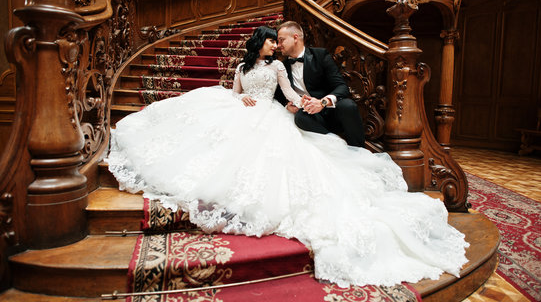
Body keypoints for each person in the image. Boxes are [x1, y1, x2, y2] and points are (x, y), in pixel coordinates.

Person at [107, 25, 468, 288]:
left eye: (278, 40)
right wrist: (241, 100)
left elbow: (287, 91)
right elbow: (235, 93)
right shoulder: (242, 68)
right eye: (270, 40)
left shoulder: (281, 66)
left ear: (292, 39)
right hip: (246, 112)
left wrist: (305, 103)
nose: (274, 45)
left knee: (284, 146)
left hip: (277, 112)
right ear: (258, 45)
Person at [275, 21, 365, 147]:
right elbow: (278, 96)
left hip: (330, 111)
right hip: (309, 117)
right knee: (300, 117)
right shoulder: (281, 66)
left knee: (348, 105)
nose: (278, 45)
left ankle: (359, 150)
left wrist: (322, 102)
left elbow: (342, 87)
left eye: (281, 40)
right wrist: (287, 105)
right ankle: (336, 148)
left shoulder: (320, 55)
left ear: (295, 37)